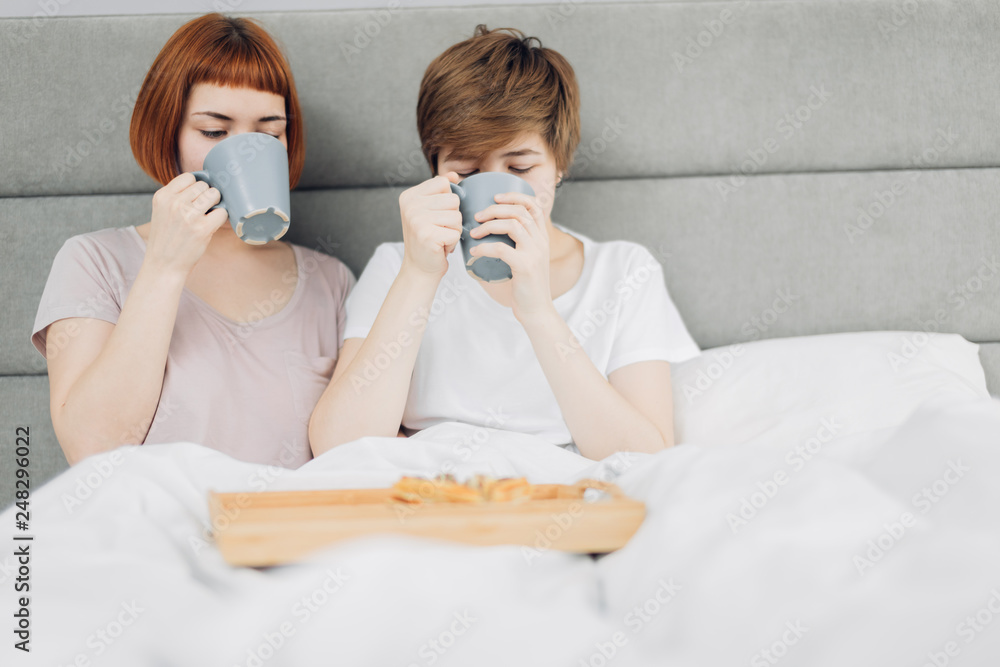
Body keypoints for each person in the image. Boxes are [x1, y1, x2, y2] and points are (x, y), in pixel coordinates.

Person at [308, 25, 699, 461]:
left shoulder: (624, 271)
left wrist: (536, 312)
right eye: (468, 173)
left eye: (520, 167)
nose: (496, 193)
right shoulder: (397, 266)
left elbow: (649, 458)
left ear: (559, 165)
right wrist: (419, 276)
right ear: (436, 173)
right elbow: (337, 447)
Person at [31, 14, 354, 468]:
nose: (243, 153)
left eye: (269, 132)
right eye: (214, 132)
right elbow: (93, 451)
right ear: (169, 133)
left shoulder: (331, 281)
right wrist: (165, 267)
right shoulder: (93, 261)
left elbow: (354, 455)